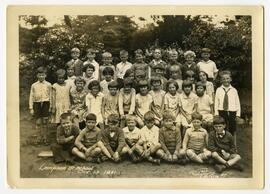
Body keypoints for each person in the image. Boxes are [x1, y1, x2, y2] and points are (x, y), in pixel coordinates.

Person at [214, 70, 241, 145]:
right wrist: (216, 113)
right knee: (222, 128)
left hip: (232, 111)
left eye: (227, 78)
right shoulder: (218, 90)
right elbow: (216, 102)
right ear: (221, 80)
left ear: (230, 79)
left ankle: (233, 145)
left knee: (232, 129)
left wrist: (238, 115)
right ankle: (222, 144)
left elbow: (237, 103)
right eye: (223, 79)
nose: (226, 80)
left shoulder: (234, 90)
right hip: (222, 111)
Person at [29, 66, 52, 145]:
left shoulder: (49, 84)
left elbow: (51, 96)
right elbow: (31, 96)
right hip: (37, 104)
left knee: (45, 122)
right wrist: (31, 108)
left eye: (43, 75)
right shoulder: (34, 85)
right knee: (38, 122)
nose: (41, 76)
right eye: (39, 75)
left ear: (45, 75)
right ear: (37, 75)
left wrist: (51, 106)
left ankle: (45, 138)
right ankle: (38, 138)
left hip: (46, 103)